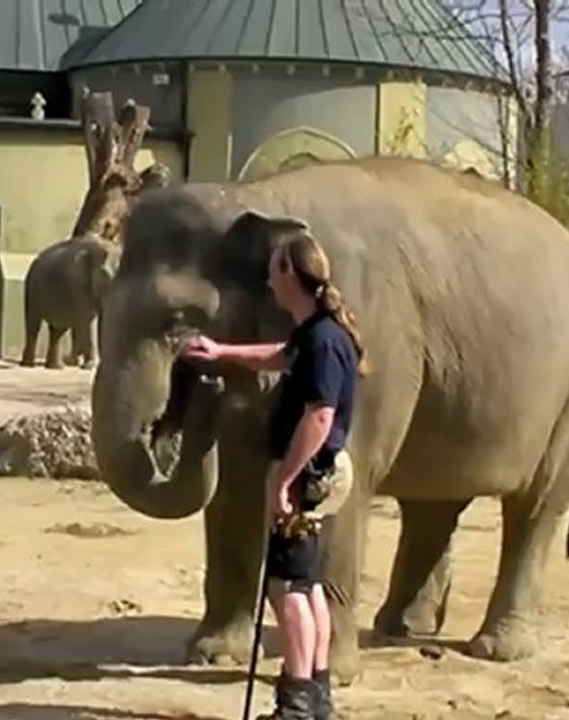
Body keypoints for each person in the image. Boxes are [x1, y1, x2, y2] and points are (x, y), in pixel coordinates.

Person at [181, 225, 368, 720]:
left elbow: (319, 415)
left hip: (309, 477)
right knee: (307, 585)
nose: (267, 276)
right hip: (318, 474)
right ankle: (316, 695)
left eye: (274, 266)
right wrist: (222, 353)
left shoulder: (325, 341)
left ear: (291, 273)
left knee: (288, 590)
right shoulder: (315, 333)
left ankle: (297, 702)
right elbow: (281, 357)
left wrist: (285, 479)